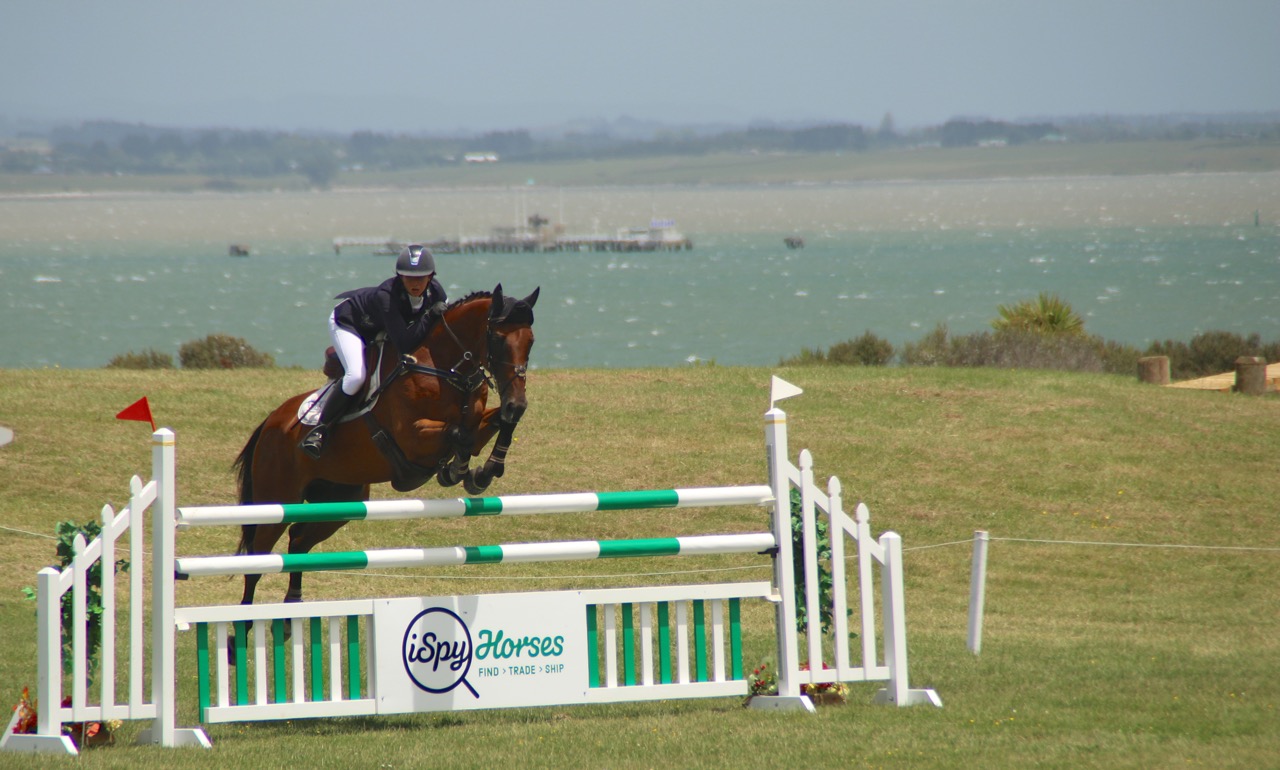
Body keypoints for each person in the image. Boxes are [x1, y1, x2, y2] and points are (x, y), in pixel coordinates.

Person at [300, 244, 447, 458]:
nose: (415, 283)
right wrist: (430, 315)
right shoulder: (386, 296)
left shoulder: (437, 292)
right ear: (399, 276)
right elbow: (405, 342)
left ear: (431, 277)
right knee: (356, 376)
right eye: (408, 277)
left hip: (379, 327)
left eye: (421, 278)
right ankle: (319, 430)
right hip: (350, 323)